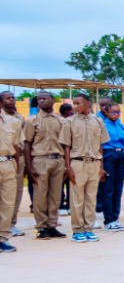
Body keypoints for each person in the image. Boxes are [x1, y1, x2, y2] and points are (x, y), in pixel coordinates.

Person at [60, 93, 105, 243]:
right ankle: (77, 230)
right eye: (74, 103)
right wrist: (68, 167)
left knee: (90, 198)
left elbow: (100, 146)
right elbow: (66, 146)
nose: (75, 106)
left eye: (79, 103)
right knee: (77, 198)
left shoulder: (98, 121)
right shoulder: (69, 122)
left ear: (88, 104)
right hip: (77, 163)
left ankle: (88, 229)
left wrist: (101, 167)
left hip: (94, 163)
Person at [25, 92, 67, 239]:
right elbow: (27, 143)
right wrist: (29, 166)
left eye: (45, 98)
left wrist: (66, 165)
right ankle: (42, 227)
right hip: (40, 160)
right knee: (40, 195)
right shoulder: (32, 120)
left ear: (53, 101)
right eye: (39, 99)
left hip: (58, 160)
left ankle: (52, 225)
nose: (41, 100)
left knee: (56, 195)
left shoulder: (61, 121)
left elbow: (66, 143)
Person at [98, 101, 124, 231]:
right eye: (113, 112)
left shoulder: (121, 127)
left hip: (120, 156)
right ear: (106, 112)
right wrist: (100, 167)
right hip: (108, 156)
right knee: (108, 190)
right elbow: (99, 146)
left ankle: (115, 218)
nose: (116, 114)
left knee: (118, 190)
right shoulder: (102, 126)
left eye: (118, 112)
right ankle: (108, 219)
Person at [0, 91, 23, 253]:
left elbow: (16, 146)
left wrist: (16, 165)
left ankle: (2, 238)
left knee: (8, 203)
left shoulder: (12, 122)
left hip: (7, 163)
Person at [4, 93, 26, 238]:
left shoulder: (20, 119)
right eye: (8, 98)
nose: (12, 100)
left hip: (17, 158)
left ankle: (11, 224)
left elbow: (23, 142)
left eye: (13, 97)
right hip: (3, 158)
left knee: (15, 194)